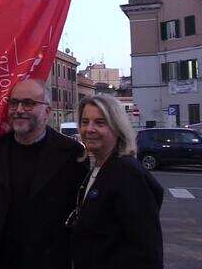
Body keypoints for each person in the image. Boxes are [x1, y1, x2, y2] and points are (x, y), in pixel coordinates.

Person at [0, 79, 88, 269]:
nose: (19, 109)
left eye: (28, 103)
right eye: (14, 103)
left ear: (47, 111)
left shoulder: (72, 154)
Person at [69, 94, 163, 269]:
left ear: (117, 128)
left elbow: (146, 249)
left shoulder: (128, 174)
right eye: (84, 122)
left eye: (100, 123)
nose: (89, 129)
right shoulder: (99, 168)